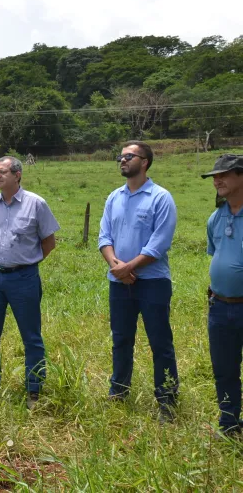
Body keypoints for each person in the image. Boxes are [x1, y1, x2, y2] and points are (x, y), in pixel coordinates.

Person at [98, 141, 179, 422]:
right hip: (119, 283)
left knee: (160, 342)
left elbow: (159, 244)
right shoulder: (114, 197)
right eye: (120, 156)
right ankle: (118, 391)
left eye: (128, 156)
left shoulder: (160, 197)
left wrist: (129, 267)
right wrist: (115, 266)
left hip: (152, 282)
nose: (122, 160)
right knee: (121, 340)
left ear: (144, 162)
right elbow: (104, 237)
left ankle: (167, 401)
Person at [0, 156, 59, 409]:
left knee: (31, 336)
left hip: (24, 277)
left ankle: (34, 390)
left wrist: (25, 262)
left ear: (18, 175)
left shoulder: (36, 204)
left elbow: (49, 243)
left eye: (3, 172)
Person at [202, 154, 243, 437]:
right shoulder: (216, 218)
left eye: (224, 174)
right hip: (219, 306)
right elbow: (217, 255)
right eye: (214, 176)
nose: (217, 180)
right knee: (224, 369)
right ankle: (229, 425)